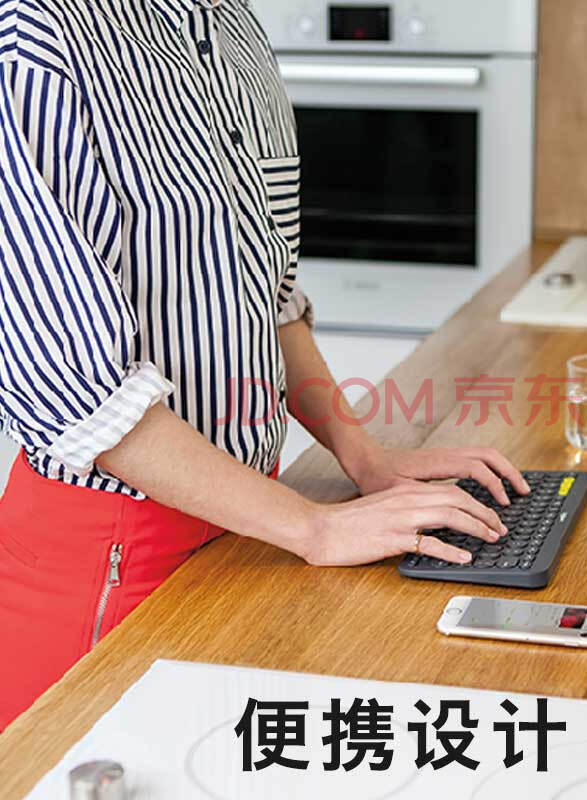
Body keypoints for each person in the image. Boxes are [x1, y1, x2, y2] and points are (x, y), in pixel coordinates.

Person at [0, 0, 528, 729]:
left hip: (255, 526)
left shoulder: (237, 29)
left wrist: (365, 458)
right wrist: (317, 529)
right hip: (113, 551)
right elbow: (73, 389)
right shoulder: (37, 42)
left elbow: (269, 297)